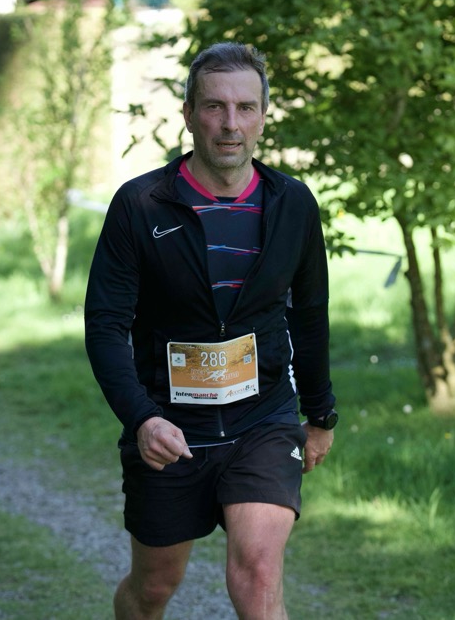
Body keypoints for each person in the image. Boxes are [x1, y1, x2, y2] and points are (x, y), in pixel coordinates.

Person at [85, 42, 338, 619]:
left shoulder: (293, 203)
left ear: (263, 116)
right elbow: (105, 327)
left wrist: (321, 414)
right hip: (170, 428)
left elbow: (310, 313)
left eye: (246, 108)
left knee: (257, 574)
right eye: (215, 107)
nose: (230, 124)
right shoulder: (141, 205)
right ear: (189, 114)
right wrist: (142, 419)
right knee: (153, 587)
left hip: (263, 418)